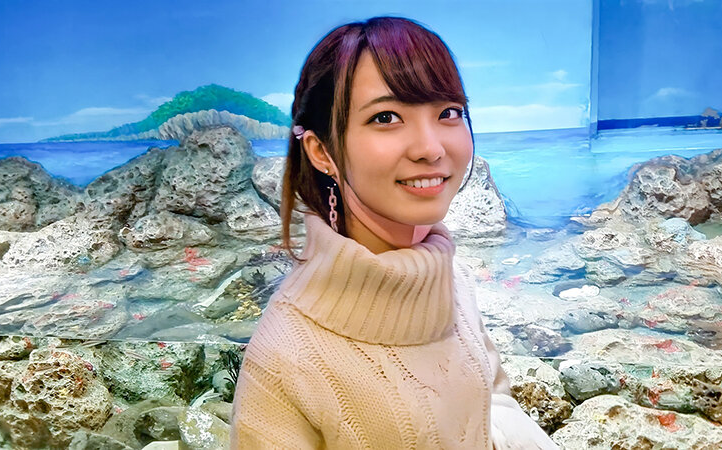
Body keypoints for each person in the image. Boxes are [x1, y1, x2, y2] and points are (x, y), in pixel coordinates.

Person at [231, 16, 559, 450]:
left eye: (448, 112)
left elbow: (491, 402)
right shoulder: (281, 360)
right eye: (386, 117)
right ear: (321, 151)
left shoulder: (451, 278)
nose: (431, 148)